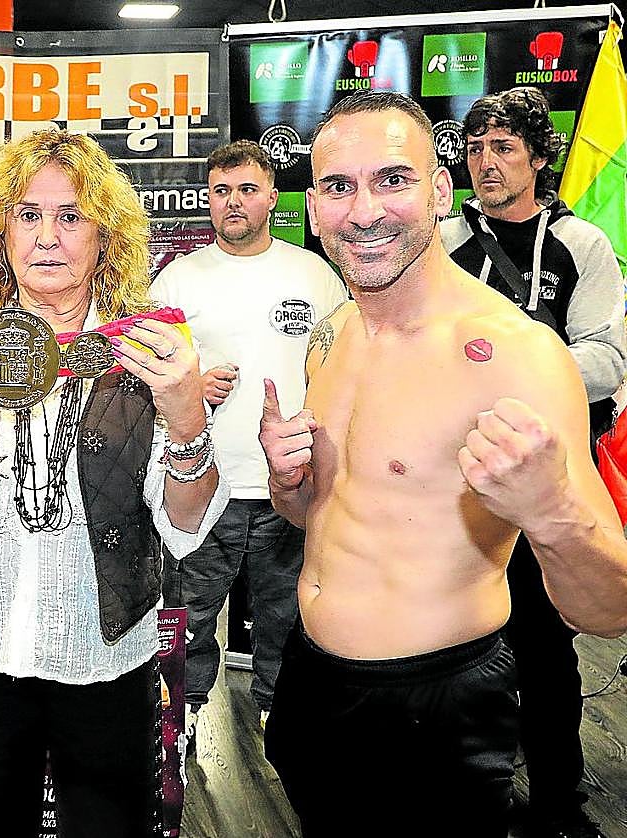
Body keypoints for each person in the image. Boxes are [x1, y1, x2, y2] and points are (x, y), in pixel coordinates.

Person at [258, 90, 627, 838]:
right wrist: (289, 485)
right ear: (314, 204)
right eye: (338, 186)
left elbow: (610, 610)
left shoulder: (518, 354)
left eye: (392, 179)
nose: (363, 211)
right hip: (311, 685)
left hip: (435, 708)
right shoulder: (330, 336)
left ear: (438, 190)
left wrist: (549, 507)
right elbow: (327, 517)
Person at [0, 129, 229, 837]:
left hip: (109, 654)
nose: (47, 237)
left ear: (103, 234)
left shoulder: (144, 347)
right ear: (0, 232)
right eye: (28, 215)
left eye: (70, 216)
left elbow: (181, 523)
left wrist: (185, 421)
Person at [441, 86, 625, 838]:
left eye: (504, 148)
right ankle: (466, 797)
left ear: (540, 158)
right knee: (458, 644)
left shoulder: (581, 245)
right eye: (476, 149)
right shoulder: (443, 238)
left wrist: (506, 368)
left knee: (546, 652)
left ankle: (559, 804)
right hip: (456, 481)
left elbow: (608, 362)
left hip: (548, 477)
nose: (485, 163)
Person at [151, 140, 346, 744]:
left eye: (246, 189)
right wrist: (190, 382)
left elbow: (342, 365)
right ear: (206, 199)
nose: (232, 202)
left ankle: (283, 725)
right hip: (204, 484)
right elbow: (144, 367)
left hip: (290, 483)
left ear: (272, 197)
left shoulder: (313, 274)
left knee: (287, 619)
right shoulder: (179, 278)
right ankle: (174, 732)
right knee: (188, 620)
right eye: (220, 191)